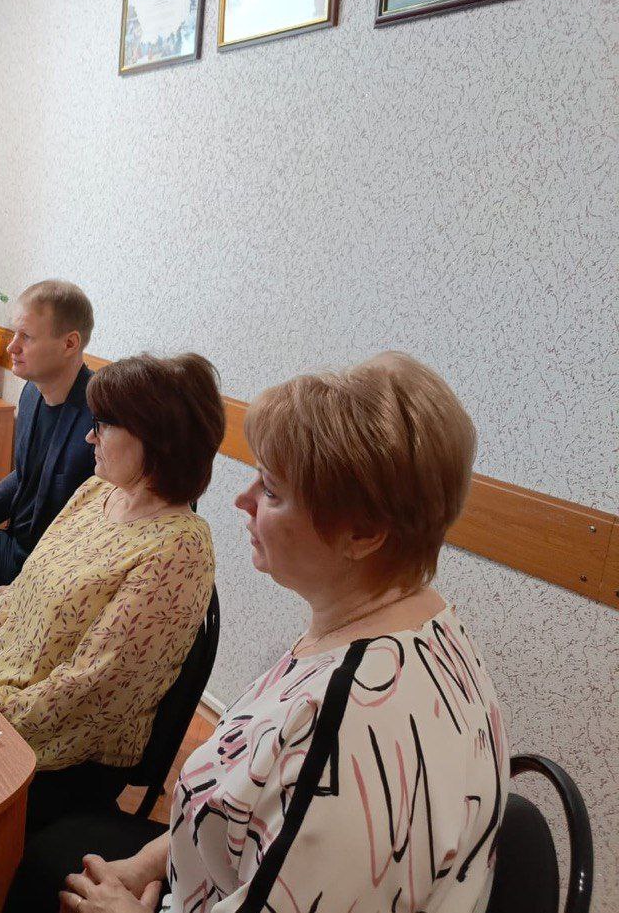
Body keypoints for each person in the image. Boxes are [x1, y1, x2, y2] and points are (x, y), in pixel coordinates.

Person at [48, 353, 508, 913]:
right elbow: (245, 794)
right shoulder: (416, 623)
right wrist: (148, 861)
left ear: (363, 532)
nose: (242, 500)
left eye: (270, 490)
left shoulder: (349, 731)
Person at [0, 353, 225, 834]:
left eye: (103, 426)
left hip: (61, 756)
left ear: (156, 440)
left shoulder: (179, 549)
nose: (89, 437)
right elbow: (24, 593)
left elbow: (91, 691)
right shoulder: (96, 493)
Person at [0, 280, 98, 606]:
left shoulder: (101, 418)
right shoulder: (31, 393)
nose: (12, 347)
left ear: (70, 343)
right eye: (15, 334)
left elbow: (99, 530)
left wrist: (32, 589)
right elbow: (27, 476)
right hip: (15, 547)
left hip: (56, 572)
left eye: (25, 337)